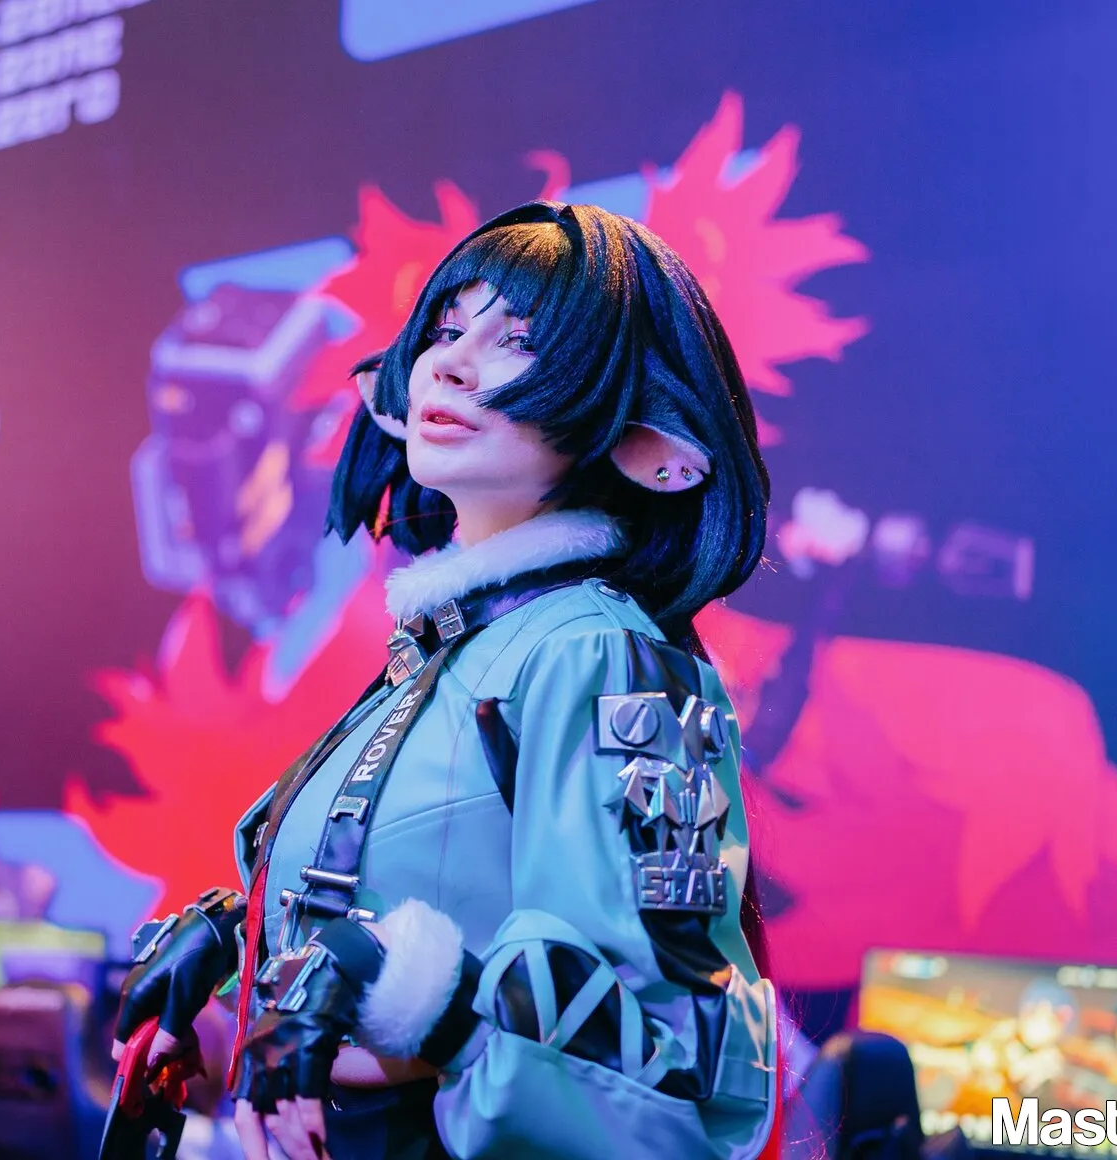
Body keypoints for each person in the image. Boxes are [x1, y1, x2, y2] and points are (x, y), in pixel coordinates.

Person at [113, 202, 778, 1159]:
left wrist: (423, 999)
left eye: (520, 342)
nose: (451, 364)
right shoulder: (446, 647)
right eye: (447, 329)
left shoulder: (597, 654)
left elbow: (676, 1084)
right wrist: (230, 973)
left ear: (628, 424)